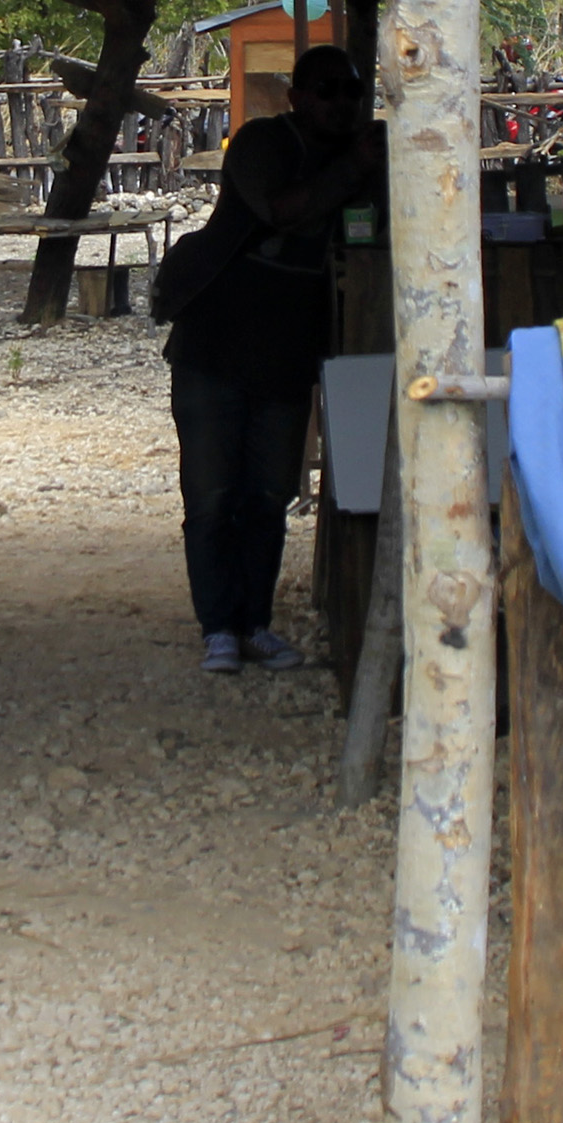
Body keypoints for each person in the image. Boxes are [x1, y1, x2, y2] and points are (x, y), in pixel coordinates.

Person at [162, 38, 378, 674]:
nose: (342, 103)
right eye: (328, 90)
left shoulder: (359, 161)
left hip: (286, 351)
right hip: (216, 343)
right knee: (209, 496)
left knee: (268, 496)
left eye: (352, 92)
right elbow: (284, 209)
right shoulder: (261, 144)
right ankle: (218, 628)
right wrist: (355, 169)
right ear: (297, 98)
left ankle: (253, 623)